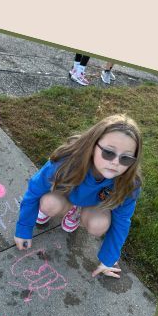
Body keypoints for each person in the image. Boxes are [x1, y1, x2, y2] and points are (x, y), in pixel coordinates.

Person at [14, 114, 143, 279]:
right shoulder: (66, 162)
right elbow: (34, 191)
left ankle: (76, 211)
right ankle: (66, 208)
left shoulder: (129, 183)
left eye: (126, 158)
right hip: (65, 195)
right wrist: (24, 228)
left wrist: (108, 259)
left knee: (98, 225)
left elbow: (122, 221)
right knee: (48, 204)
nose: (116, 162)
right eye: (109, 153)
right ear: (93, 145)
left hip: (93, 204)